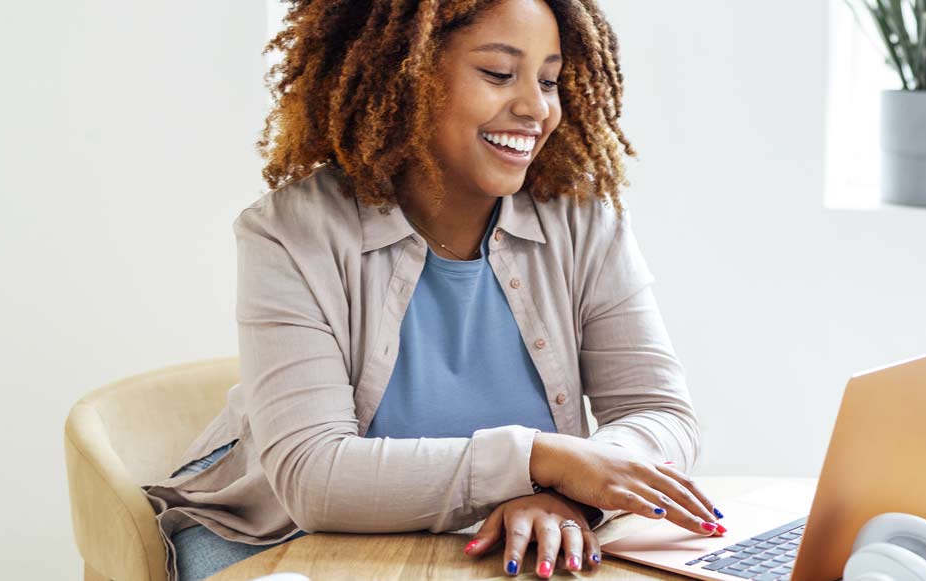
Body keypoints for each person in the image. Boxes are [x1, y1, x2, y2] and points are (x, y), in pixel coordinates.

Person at [141, 1, 719, 579]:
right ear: (404, 72)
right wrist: (544, 460)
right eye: (498, 74)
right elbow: (313, 477)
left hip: (486, 534)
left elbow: (659, 410)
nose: (535, 107)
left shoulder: (583, 222)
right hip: (277, 533)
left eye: (548, 79)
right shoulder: (292, 233)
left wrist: (571, 494)